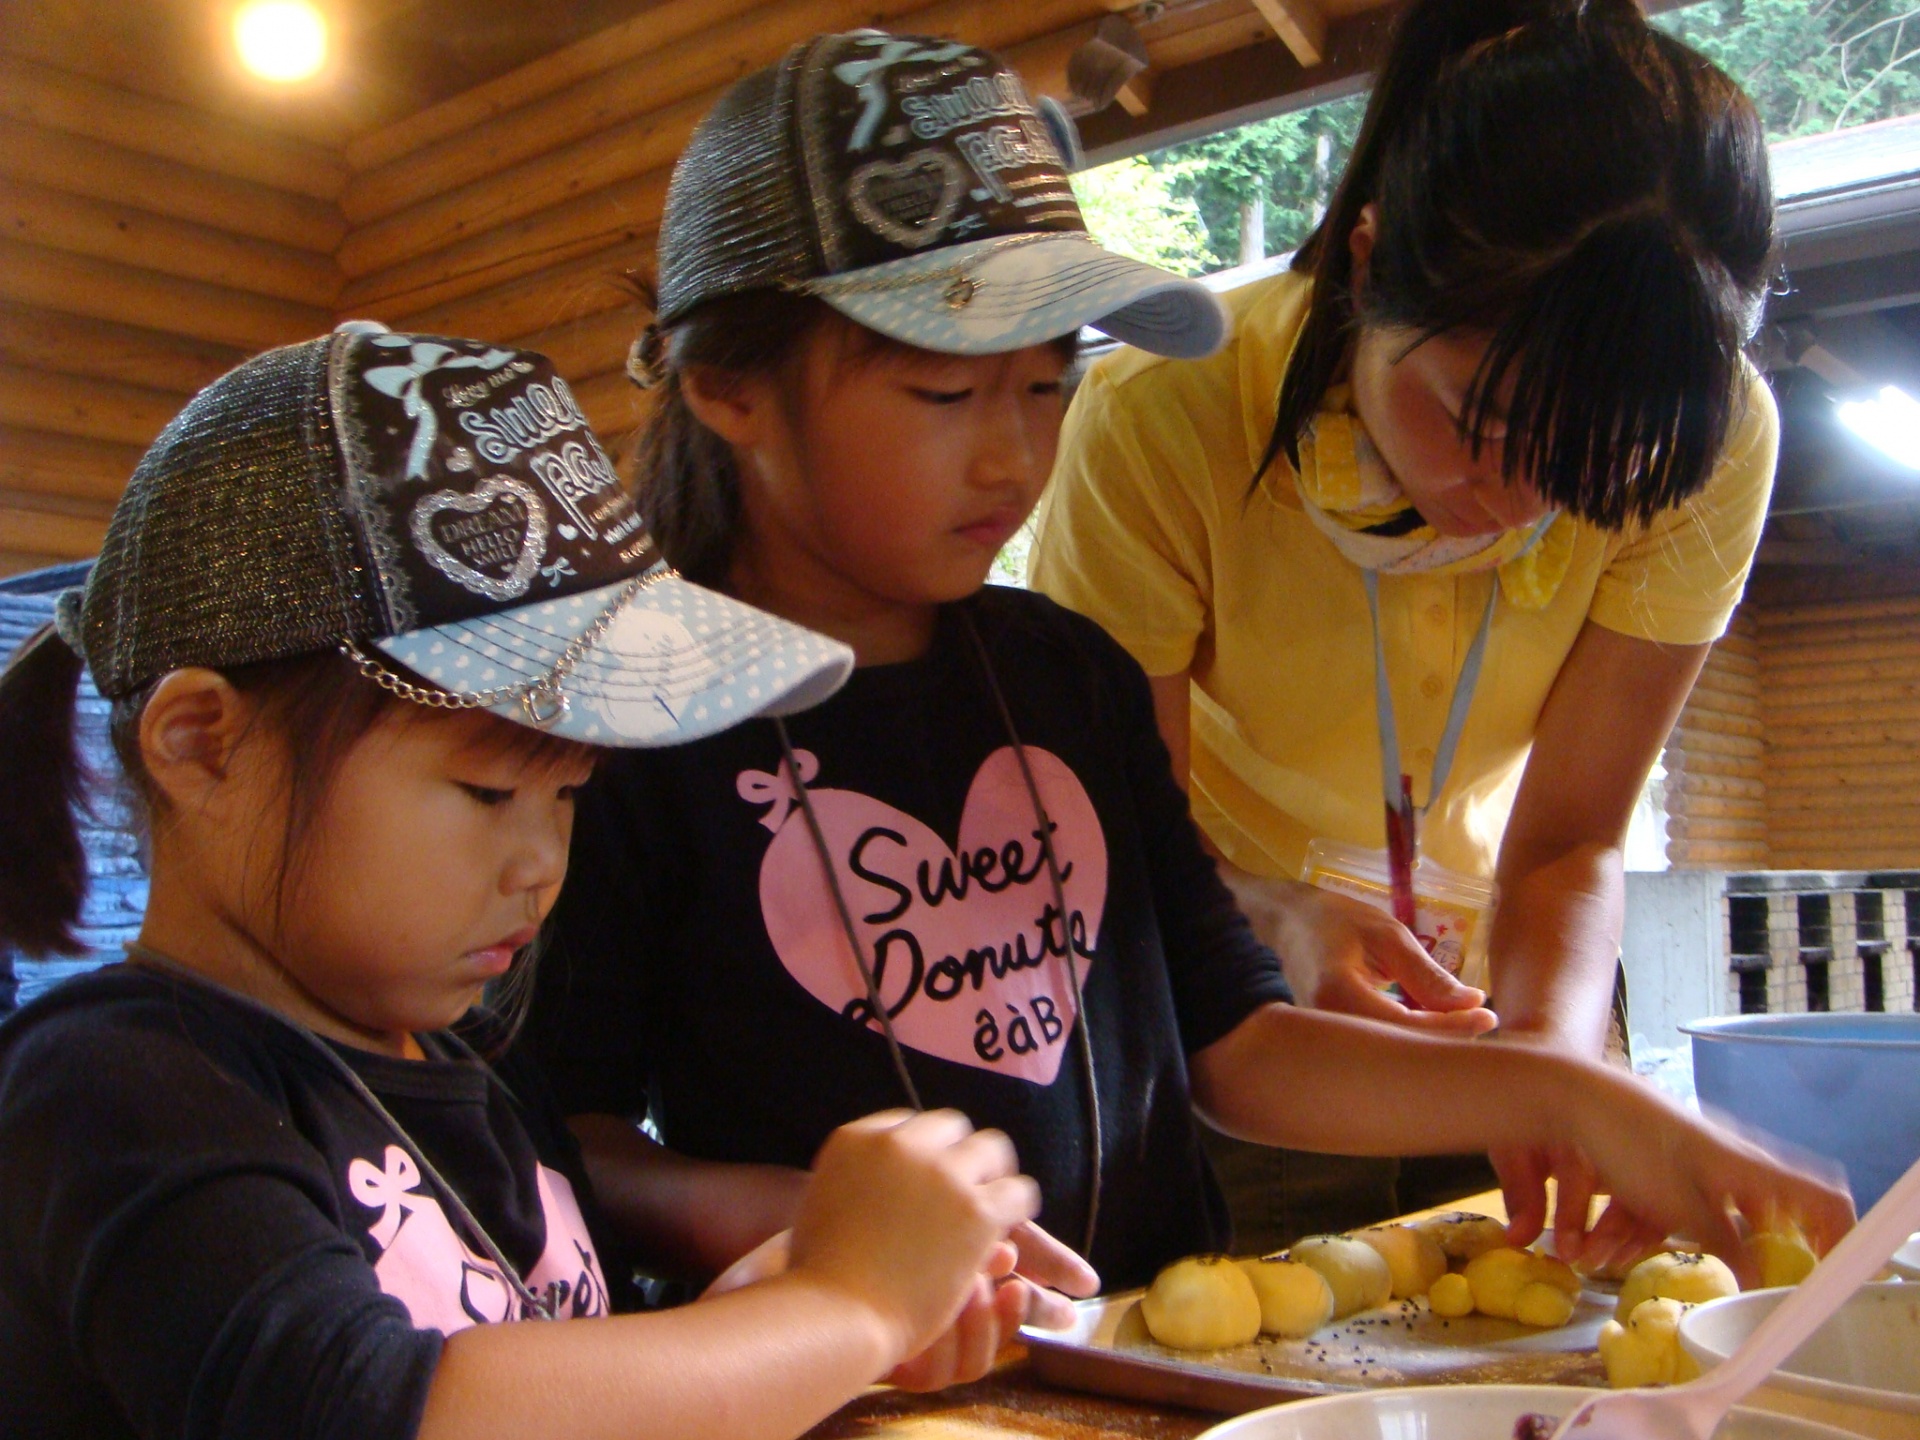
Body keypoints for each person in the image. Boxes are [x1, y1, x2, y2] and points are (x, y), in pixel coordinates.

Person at [522, 31, 1850, 1306]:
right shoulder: (626, 726)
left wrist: (1569, 1093)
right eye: (946, 396)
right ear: (728, 387)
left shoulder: (1070, 679)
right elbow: (558, 1128)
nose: (1013, 459)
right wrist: (802, 1223)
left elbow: (1241, 1049)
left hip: (1140, 1346)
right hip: (841, 1379)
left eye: (1045, 388)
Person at [0, 326, 1064, 1440]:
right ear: (205, 746)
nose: (541, 864)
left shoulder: (465, 1070)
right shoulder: (108, 1087)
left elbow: (548, 1363)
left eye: (566, 796)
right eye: (483, 793)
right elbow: (366, 1415)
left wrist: (768, 1332)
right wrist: (841, 1305)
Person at [1029, 0, 1786, 1247]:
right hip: (1237, 994)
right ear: (1369, 266)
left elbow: (1571, 841)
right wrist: (1272, 918)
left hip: (1509, 973)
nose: (1512, 503)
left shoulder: (1714, 441)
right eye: (1472, 424)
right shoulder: (1163, 415)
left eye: (1589, 466)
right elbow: (1116, 847)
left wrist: (1549, 1070)